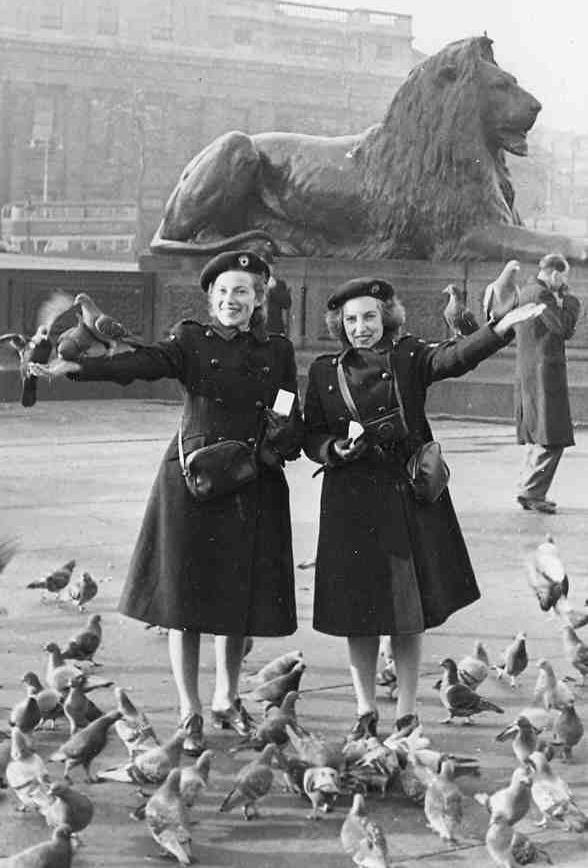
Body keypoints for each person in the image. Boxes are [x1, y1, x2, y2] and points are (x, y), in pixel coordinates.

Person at [33, 250, 303, 756]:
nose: (231, 300)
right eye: (222, 292)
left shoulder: (278, 349)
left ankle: (226, 698)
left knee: (235, 602)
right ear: (210, 298)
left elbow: (289, 402)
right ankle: (190, 709)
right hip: (193, 481)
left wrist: (285, 438)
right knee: (185, 604)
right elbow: (142, 362)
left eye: (242, 291)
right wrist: (80, 369)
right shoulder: (190, 340)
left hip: (251, 478)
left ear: (258, 298)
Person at [303, 276, 544, 739]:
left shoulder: (408, 356)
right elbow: (312, 436)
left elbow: (451, 357)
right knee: (360, 614)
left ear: (386, 318)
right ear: (339, 324)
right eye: (350, 320)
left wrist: (500, 327)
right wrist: (334, 449)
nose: (361, 328)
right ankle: (365, 710)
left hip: (405, 496)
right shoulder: (322, 371)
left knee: (406, 612)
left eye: (370, 317)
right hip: (350, 501)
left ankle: (407, 711)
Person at [515, 253, 581, 514]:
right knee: (552, 437)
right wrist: (572, 303)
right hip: (544, 376)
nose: (563, 282)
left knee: (539, 436)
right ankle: (531, 492)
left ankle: (527, 488)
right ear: (555, 273)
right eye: (563, 277)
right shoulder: (542, 295)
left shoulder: (527, 290)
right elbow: (562, 328)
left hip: (531, 374)